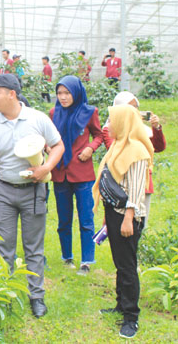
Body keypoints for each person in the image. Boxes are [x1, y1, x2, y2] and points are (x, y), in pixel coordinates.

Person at [0, 74, 64, 318]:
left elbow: (58, 146)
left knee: (33, 247)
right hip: (4, 191)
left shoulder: (37, 119)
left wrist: (46, 168)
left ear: (12, 94)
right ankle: (3, 295)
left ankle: (36, 296)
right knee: (3, 247)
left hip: (34, 191)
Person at [93, 105, 154, 339]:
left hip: (127, 215)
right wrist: (109, 218)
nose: (109, 124)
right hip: (114, 213)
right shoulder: (119, 146)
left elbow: (137, 191)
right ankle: (120, 304)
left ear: (124, 122)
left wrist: (128, 219)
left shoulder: (137, 150)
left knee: (128, 267)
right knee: (120, 263)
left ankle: (131, 318)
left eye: (113, 120)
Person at [49, 75, 103, 274]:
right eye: (59, 93)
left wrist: (90, 147)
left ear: (76, 93)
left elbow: (99, 135)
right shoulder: (54, 112)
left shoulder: (90, 112)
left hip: (82, 173)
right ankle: (67, 257)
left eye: (67, 93)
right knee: (64, 219)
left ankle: (87, 260)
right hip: (60, 172)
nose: (63, 97)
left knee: (86, 218)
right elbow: (49, 137)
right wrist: (48, 149)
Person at [102, 91, 166, 226]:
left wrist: (156, 128)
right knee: (118, 223)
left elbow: (158, 147)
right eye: (130, 108)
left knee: (140, 221)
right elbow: (115, 150)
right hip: (120, 184)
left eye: (136, 108)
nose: (135, 112)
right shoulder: (110, 129)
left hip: (142, 180)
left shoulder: (142, 130)